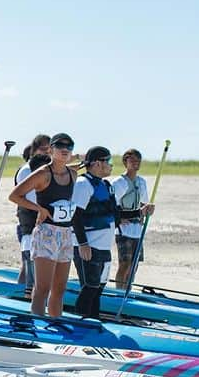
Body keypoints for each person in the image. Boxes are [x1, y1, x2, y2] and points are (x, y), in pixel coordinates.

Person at [9, 132, 78, 317]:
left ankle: (56, 322)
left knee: (60, 288)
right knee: (42, 288)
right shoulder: (43, 174)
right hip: (46, 232)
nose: (65, 150)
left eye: (69, 146)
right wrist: (38, 209)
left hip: (65, 233)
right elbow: (15, 195)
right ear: (51, 150)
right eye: (60, 146)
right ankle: (38, 323)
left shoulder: (73, 173)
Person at [71, 146, 118, 319]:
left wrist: (140, 212)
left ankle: (94, 321)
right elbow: (75, 216)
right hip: (88, 246)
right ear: (98, 163)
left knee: (98, 289)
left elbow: (114, 214)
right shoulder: (83, 184)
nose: (112, 166)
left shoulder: (106, 185)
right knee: (89, 288)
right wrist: (83, 244)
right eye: (110, 161)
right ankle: (81, 322)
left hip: (104, 247)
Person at [111, 148, 154, 289]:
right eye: (132, 160)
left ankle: (127, 290)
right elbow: (111, 205)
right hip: (123, 230)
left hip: (137, 230)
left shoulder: (141, 182)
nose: (136, 163)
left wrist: (148, 209)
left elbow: (144, 202)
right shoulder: (119, 182)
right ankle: (119, 291)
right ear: (125, 162)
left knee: (134, 264)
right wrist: (119, 219)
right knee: (125, 263)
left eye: (138, 160)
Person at [15, 134, 51, 296]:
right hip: (30, 226)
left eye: (50, 149)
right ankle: (24, 295)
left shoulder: (46, 170)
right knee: (29, 264)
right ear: (34, 150)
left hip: (44, 226)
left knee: (28, 264)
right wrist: (43, 210)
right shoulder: (27, 171)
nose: (47, 153)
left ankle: (21, 293)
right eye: (44, 149)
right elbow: (27, 198)